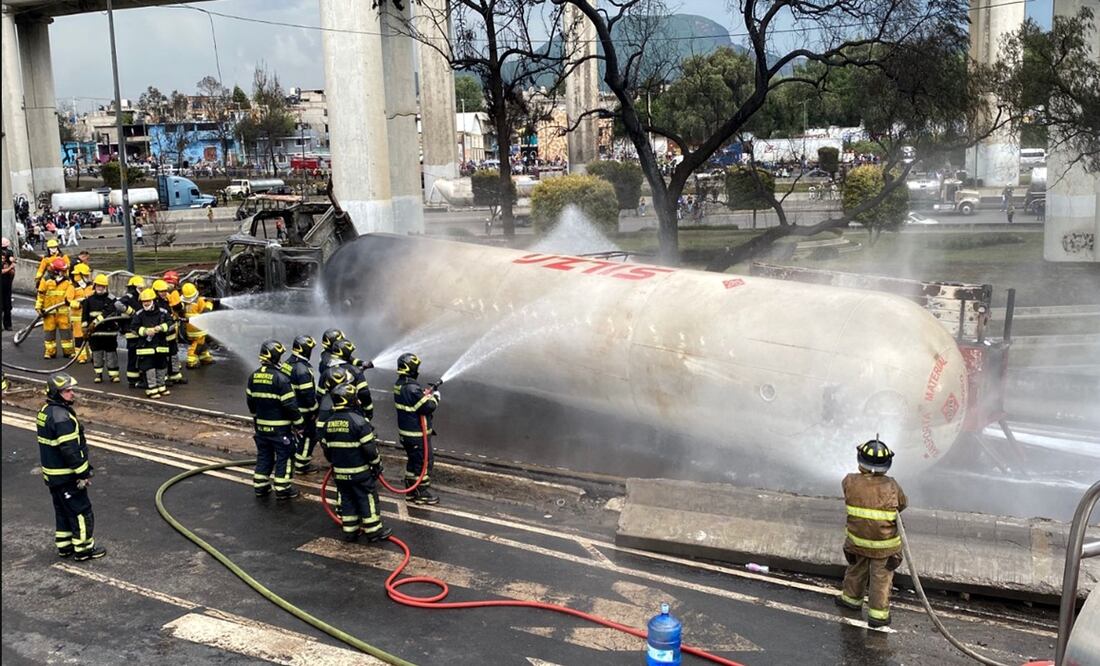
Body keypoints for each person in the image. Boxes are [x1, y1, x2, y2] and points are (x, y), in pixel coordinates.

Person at [835, 437, 908, 627]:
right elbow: (902, 503)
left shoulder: (849, 481)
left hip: (857, 542)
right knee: (881, 579)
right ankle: (878, 616)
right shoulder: (892, 486)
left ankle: (851, 600)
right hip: (884, 547)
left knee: (856, 571)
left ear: (860, 461)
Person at [38, 373, 106, 561]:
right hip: (67, 476)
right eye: (67, 391)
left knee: (62, 511)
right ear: (56, 393)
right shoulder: (62, 417)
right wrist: (84, 472)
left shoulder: (45, 411)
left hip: (53, 477)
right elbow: (71, 451)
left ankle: (65, 547)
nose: (72, 393)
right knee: (81, 512)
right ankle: (83, 550)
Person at [322, 383, 390, 542]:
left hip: (339, 473)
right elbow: (370, 449)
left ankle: (350, 531)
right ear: (350, 400)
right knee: (366, 498)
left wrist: (336, 463)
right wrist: (377, 464)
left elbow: (326, 449)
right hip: (360, 473)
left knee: (347, 500)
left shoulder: (328, 423)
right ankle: (374, 531)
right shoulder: (359, 422)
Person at [246, 340, 302, 499]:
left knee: (264, 456)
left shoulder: (253, 376)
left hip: (261, 429)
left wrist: (257, 419)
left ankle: (260, 487)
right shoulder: (281, 379)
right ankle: (283, 490)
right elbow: (290, 405)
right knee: (286, 456)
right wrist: (300, 424)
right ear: (276, 357)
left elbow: (250, 402)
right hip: (280, 430)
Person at [393, 353, 440, 505]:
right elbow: (426, 407)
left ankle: (411, 490)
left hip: (407, 434)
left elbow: (414, 403)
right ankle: (422, 492)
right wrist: (435, 397)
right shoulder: (412, 388)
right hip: (416, 434)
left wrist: (423, 395)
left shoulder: (401, 384)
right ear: (411, 369)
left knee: (413, 463)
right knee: (424, 462)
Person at [130, 288, 172, 399]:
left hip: (161, 346)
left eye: (148, 301)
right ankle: (152, 389)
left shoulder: (163, 312)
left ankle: (161, 386)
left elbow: (171, 323)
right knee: (149, 369)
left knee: (162, 367)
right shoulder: (139, 314)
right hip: (146, 347)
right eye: (144, 301)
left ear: (153, 300)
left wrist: (161, 327)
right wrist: (144, 331)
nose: (146, 303)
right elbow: (133, 328)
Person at [288, 335, 321, 474]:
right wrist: (314, 411)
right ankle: (302, 465)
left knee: (297, 434)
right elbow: (307, 394)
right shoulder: (302, 369)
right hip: (303, 410)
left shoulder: (287, 363)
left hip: (291, 408)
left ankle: (294, 457)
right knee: (310, 435)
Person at [82, 274, 122, 383]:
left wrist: (95, 321)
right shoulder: (89, 300)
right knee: (97, 354)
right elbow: (84, 316)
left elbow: (109, 312)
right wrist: (85, 329)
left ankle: (113, 375)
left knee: (111, 354)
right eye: (99, 286)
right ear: (94, 286)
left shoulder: (112, 299)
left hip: (109, 332)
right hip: (95, 334)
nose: (100, 288)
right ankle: (98, 374)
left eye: (103, 286)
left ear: (106, 287)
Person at [36, 257, 74, 359]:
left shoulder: (67, 281)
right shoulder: (46, 280)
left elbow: (71, 292)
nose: (65, 272)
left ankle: (68, 352)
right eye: (63, 271)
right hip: (48, 313)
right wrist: (39, 307)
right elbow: (41, 294)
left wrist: (68, 300)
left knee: (66, 333)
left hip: (63, 312)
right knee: (49, 333)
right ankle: (50, 352)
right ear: (57, 271)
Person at [153, 277, 185, 385]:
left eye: (165, 291)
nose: (163, 293)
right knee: (163, 357)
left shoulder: (167, 299)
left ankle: (175, 375)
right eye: (161, 291)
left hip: (171, 334)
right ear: (156, 291)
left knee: (174, 355)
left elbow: (176, 308)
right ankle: (164, 378)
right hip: (162, 335)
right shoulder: (154, 304)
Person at [180, 282, 217, 368]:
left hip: (189, 328)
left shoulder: (183, 302)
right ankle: (191, 360)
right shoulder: (199, 301)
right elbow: (205, 313)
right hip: (199, 329)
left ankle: (204, 356)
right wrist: (209, 303)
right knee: (197, 343)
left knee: (202, 343)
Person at [65, 263, 94, 364]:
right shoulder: (72, 287)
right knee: (79, 337)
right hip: (77, 317)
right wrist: (78, 304)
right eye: (85, 275)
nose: (87, 277)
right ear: (79, 275)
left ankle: (93, 355)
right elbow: (67, 301)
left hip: (89, 316)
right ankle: (81, 356)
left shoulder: (90, 286)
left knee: (91, 336)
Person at [119, 276, 144, 387]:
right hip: (131, 331)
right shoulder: (129, 297)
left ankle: (138, 377)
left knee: (140, 355)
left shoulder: (141, 297)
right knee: (133, 355)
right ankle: (132, 379)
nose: (141, 290)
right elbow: (118, 305)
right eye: (140, 288)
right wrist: (133, 312)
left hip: (139, 331)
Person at [2, 237, 15, 331]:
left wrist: (11, 265)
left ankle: (8, 324)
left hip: (7, 284)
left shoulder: (9, 255)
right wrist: (10, 267)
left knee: (8, 306)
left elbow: (12, 273)